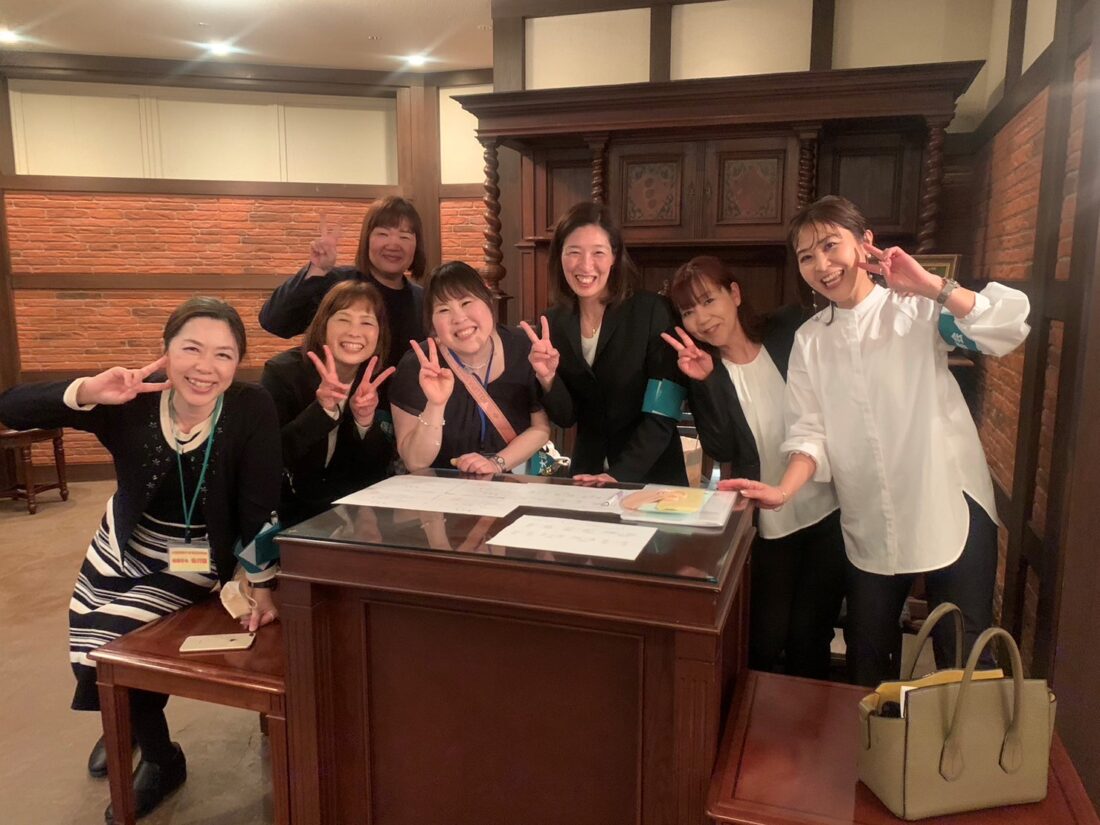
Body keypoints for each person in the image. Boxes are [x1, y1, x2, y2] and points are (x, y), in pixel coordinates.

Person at [723, 196, 1031, 686]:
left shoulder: (918, 309)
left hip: (948, 502)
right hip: (868, 519)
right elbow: (809, 433)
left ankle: (961, 739)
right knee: (868, 657)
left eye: (830, 246)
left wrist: (932, 286)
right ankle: (879, 739)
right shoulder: (810, 340)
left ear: (865, 243)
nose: (822, 265)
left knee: (964, 656)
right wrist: (782, 491)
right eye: (806, 256)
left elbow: (1006, 328)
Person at [0, 297, 282, 822]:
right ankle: (125, 718)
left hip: (195, 555)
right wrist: (89, 391)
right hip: (123, 543)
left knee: (107, 639)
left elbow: (259, 503)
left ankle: (160, 755)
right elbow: (11, 407)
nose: (205, 367)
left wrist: (262, 583)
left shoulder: (251, 407)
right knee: (83, 626)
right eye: (191, 349)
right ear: (166, 351)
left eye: (223, 354)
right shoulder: (131, 397)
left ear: (237, 362)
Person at [662, 256, 845, 680]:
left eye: (709, 301)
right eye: (688, 311)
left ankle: (808, 718)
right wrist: (708, 383)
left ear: (735, 293)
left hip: (827, 509)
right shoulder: (705, 368)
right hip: (767, 522)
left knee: (812, 636)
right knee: (764, 637)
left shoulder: (788, 330)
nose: (701, 318)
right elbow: (721, 447)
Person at [521, 201, 688, 486]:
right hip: (587, 473)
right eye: (574, 252)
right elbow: (567, 417)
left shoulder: (652, 311)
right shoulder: (554, 322)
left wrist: (618, 476)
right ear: (560, 256)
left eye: (598, 252)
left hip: (652, 477)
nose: (585, 265)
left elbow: (663, 414)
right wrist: (548, 378)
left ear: (614, 256)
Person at [389, 261, 550, 474]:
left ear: (488, 301)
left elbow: (540, 428)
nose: (459, 318)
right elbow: (415, 463)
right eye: (443, 309)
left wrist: (495, 463)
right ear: (432, 324)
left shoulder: (523, 348)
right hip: (440, 487)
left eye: (466, 302)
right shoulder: (418, 366)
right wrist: (435, 405)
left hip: (511, 482)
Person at [261, 280, 396, 528]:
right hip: (288, 517)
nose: (354, 332)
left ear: (379, 335)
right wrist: (322, 410)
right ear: (323, 326)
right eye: (343, 319)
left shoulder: (379, 380)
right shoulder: (283, 373)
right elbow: (269, 457)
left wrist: (365, 421)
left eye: (367, 322)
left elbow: (376, 472)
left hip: (352, 519)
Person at [259, 196, 427, 366]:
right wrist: (317, 270)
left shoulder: (424, 301)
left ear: (416, 245)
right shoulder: (338, 285)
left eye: (404, 236)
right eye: (383, 234)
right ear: (366, 239)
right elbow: (274, 322)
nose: (393, 244)